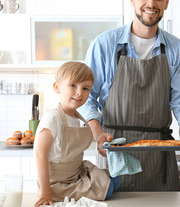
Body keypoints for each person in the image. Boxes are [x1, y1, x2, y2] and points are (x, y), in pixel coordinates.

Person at [78, 0, 180, 192]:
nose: (151, 3)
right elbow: (86, 98)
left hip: (159, 156)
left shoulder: (175, 49)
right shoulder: (104, 44)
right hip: (115, 151)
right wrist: (98, 134)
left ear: (166, 2)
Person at [34, 61, 120, 207]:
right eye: (73, 85)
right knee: (109, 188)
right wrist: (45, 192)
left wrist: (101, 139)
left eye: (85, 88)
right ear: (57, 87)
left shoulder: (78, 117)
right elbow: (39, 153)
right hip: (58, 183)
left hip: (77, 174)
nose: (79, 92)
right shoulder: (53, 117)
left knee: (116, 179)